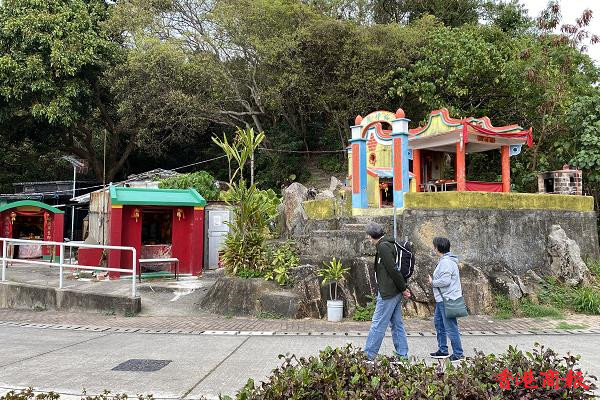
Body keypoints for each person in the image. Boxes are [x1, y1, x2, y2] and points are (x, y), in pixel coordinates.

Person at [363, 222, 411, 360]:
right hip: (394, 290)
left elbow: (393, 270)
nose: (368, 238)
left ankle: (368, 355)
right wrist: (402, 288)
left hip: (388, 292)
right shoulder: (388, 243)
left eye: (368, 236)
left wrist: (403, 288)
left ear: (372, 236)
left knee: (378, 323)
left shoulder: (383, 247)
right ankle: (402, 355)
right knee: (397, 324)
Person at [428, 237, 464, 361]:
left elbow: (445, 281)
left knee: (450, 327)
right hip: (442, 299)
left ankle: (458, 353)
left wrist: (432, 282)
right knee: (439, 324)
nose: (433, 248)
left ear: (438, 248)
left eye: (434, 246)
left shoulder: (446, 262)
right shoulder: (446, 260)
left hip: (446, 299)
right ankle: (443, 350)